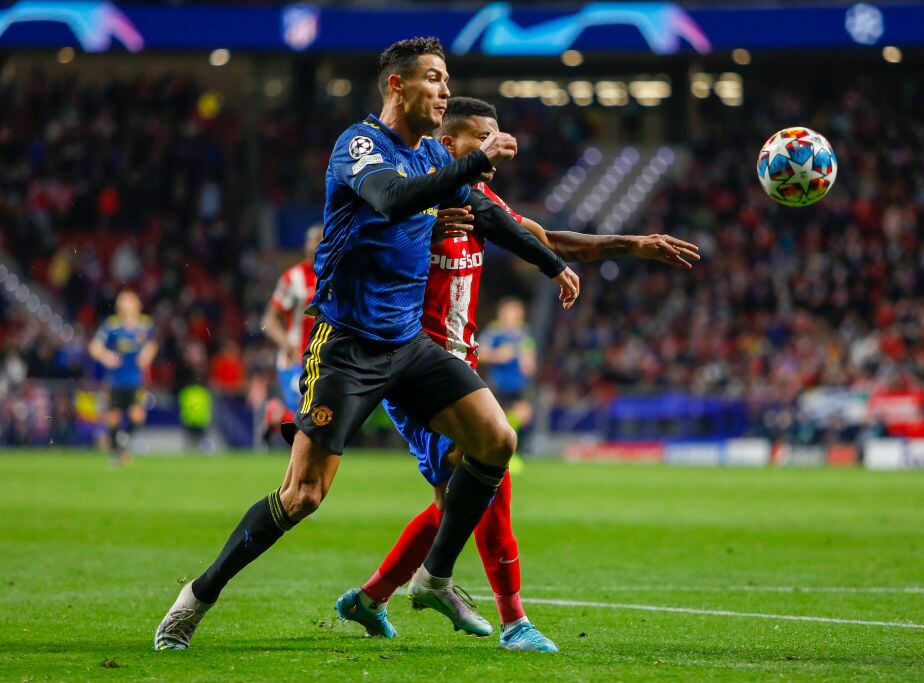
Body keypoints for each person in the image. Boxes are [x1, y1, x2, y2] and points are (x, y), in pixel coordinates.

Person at [154, 37, 580, 651]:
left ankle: (433, 577)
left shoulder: (432, 154)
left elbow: (486, 215)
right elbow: (393, 198)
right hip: (348, 346)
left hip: (408, 344)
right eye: (432, 78)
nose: (443, 90)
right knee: (302, 496)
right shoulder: (360, 146)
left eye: (447, 79)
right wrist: (472, 162)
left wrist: (551, 264)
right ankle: (195, 598)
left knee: (496, 440)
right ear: (397, 86)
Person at [334, 97, 699, 652]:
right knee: (490, 476)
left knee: (455, 502)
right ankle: (513, 620)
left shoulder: (477, 202)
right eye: (483, 137)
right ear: (448, 144)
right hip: (414, 367)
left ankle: (373, 595)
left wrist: (633, 244)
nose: (496, 148)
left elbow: (544, 238)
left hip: (459, 367)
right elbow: (363, 241)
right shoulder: (416, 206)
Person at [260, 225, 322, 443]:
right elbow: (268, 321)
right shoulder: (292, 278)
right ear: (306, 245)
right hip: (294, 357)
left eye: (322, 239)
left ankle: (275, 414)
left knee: (318, 416)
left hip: (322, 357)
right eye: (314, 239)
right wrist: (286, 344)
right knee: (304, 416)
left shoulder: (334, 277)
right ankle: (277, 414)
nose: (318, 243)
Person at [87, 290, 157, 464]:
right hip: (115, 380)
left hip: (136, 379)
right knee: (113, 417)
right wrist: (106, 356)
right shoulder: (112, 325)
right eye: (123, 302)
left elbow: (152, 343)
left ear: (137, 305)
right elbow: (94, 347)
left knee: (138, 416)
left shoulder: (145, 324)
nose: (126, 305)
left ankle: (121, 440)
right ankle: (116, 453)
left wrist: (147, 355)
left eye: (129, 301)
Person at [479, 298, 536, 436]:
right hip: (499, 383)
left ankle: (509, 438)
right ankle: (503, 439)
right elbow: (478, 353)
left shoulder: (524, 334)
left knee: (525, 415)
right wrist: (497, 355)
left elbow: (531, 361)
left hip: (519, 384)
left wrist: (527, 363)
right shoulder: (493, 332)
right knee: (498, 418)